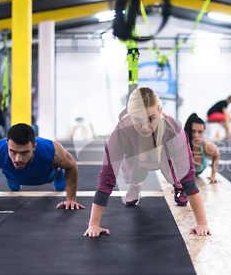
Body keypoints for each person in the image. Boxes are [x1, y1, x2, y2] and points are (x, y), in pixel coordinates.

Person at [84, 87, 211, 237]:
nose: (145, 127)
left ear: (160, 111)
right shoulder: (120, 134)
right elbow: (107, 179)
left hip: (164, 157)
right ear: (130, 115)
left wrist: (202, 223)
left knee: (180, 179)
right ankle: (134, 184)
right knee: (133, 173)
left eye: (151, 118)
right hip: (137, 159)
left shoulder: (174, 131)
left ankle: (177, 186)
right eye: (137, 120)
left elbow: (189, 178)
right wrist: (94, 224)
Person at [0, 123, 84, 211]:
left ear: (34, 147)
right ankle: (14, 179)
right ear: (7, 144)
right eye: (13, 152)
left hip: (45, 176)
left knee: (60, 186)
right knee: (14, 187)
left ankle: (58, 173)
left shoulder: (52, 151)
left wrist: (71, 199)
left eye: (24, 152)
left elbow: (72, 166)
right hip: (13, 175)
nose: (17, 158)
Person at [184, 113, 220, 183]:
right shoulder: (182, 146)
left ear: (203, 132)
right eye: (193, 131)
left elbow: (216, 154)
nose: (196, 135)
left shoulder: (208, 147)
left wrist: (213, 175)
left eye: (200, 132)